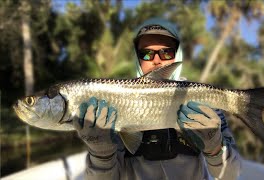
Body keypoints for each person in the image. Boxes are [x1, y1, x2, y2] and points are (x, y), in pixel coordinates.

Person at [74, 18, 241, 180]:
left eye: (166, 52)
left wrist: (215, 148)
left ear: (178, 55)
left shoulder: (205, 101)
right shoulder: (113, 102)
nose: (156, 60)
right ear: (137, 59)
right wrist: (101, 154)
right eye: (146, 54)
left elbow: (230, 175)